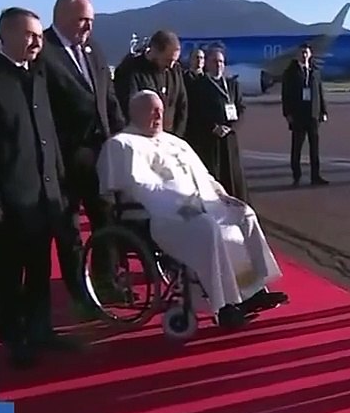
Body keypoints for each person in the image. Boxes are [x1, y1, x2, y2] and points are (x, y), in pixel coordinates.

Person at [98, 90, 289, 326]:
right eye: (152, 110)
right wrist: (183, 203)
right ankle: (224, 305)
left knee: (244, 215)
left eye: (160, 110)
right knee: (207, 228)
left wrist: (222, 195)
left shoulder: (175, 141)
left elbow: (204, 175)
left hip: (204, 204)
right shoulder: (122, 144)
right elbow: (141, 187)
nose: (159, 115)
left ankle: (253, 289)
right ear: (134, 113)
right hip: (164, 215)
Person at [0, 8, 67, 368]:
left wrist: (59, 182)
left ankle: (40, 329)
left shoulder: (36, 75)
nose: (38, 41)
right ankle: (12, 335)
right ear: (5, 35)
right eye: (29, 35)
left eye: (39, 35)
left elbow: (48, 134)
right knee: (9, 272)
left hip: (44, 193)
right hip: (9, 197)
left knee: (39, 269)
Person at [39, 0, 125, 309]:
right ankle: (80, 293)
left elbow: (109, 98)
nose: (87, 26)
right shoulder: (43, 50)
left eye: (91, 20)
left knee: (106, 218)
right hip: (64, 159)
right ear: (60, 16)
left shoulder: (94, 50)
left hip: (101, 154)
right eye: (81, 20)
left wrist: (122, 136)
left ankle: (107, 282)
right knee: (69, 229)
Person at [187, 44, 250, 202]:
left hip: (229, 138)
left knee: (234, 178)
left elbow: (241, 108)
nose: (218, 65)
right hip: (210, 140)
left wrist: (231, 127)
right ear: (207, 64)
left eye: (221, 62)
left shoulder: (232, 85)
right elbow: (195, 112)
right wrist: (213, 127)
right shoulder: (198, 86)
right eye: (215, 62)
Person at [113, 30, 189, 136]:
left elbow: (182, 104)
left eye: (174, 61)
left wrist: (177, 136)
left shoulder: (175, 70)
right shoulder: (130, 70)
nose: (171, 66)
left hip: (169, 139)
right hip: (141, 138)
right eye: (167, 60)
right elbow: (126, 107)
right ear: (154, 51)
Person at [280, 44, 329, 186]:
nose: (304, 55)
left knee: (315, 148)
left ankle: (316, 176)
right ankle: (297, 176)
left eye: (306, 52)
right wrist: (287, 113)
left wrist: (323, 111)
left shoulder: (315, 71)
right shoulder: (290, 72)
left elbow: (320, 92)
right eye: (301, 52)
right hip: (298, 115)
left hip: (313, 114)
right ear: (297, 55)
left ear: (310, 54)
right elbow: (286, 95)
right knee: (297, 148)